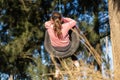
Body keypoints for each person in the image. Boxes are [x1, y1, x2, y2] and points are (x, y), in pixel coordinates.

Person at [44, 11, 80, 78]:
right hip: (67, 48)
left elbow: (48, 22)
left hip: (56, 48)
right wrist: (64, 19)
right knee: (72, 52)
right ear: (60, 19)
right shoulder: (66, 26)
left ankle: (57, 71)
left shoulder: (48, 26)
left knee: (57, 56)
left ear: (52, 19)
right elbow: (74, 22)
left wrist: (52, 20)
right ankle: (77, 65)